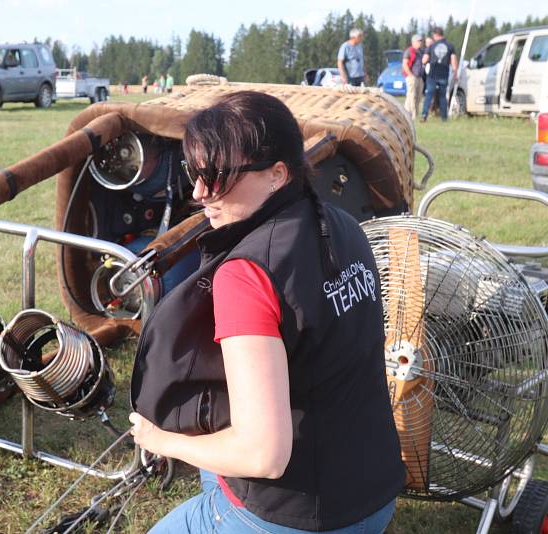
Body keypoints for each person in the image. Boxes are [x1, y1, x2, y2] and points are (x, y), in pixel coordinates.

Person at [129, 91, 404, 533]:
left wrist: (162, 440)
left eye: (217, 175)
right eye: (194, 172)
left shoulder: (245, 274)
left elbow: (263, 455)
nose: (200, 193)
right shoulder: (344, 226)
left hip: (299, 517)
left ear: (277, 174)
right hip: (375, 494)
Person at [421, 27, 458, 121]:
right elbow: (453, 61)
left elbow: (424, 60)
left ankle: (424, 114)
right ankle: (444, 117)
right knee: (442, 95)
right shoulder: (450, 46)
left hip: (433, 73)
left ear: (435, 35)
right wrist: (455, 73)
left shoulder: (432, 46)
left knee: (429, 94)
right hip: (444, 73)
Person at [403, 34, 425, 121]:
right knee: (412, 96)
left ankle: (411, 113)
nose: (420, 43)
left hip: (419, 77)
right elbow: (405, 64)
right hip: (412, 77)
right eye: (418, 41)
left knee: (418, 97)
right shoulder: (409, 51)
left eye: (421, 41)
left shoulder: (420, 52)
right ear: (413, 42)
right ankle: (412, 115)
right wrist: (410, 75)